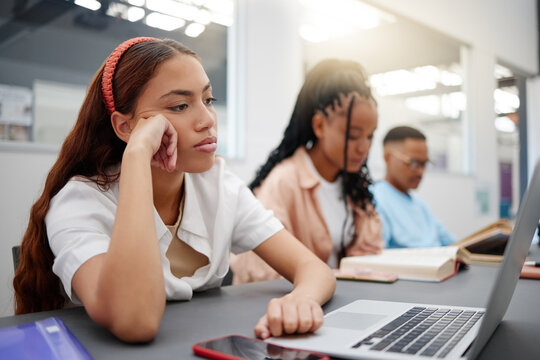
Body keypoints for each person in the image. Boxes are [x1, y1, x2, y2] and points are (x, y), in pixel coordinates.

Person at [12, 37, 335, 343]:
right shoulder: (80, 200)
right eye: (181, 106)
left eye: (208, 100)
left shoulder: (219, 185)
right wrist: (137, 155)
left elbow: (313, 268)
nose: (208, 119)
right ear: (125, 127)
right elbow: (134, 321)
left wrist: (301, 300)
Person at [230, 59, 384, 284]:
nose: (364, 147)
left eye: (370, 136)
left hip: (338, 299)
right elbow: (261, 273)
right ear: (320, 126)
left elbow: (370, 255)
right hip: (293, 307)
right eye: (353, 136)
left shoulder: (353, 186)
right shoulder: (284, 182)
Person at [371, 126, 457, 248]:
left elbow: (455, 244)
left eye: (424, 164)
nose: (421, 172)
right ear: (387, 157)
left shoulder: (421, 206)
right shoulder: (374, 200)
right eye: (414, 163)